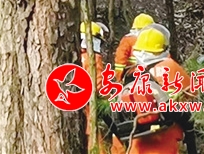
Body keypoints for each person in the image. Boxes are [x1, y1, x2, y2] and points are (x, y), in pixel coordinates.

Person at [110, 25, 197, 154]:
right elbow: (192, 93)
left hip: (137, 143)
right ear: (162, 48)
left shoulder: (131, 73)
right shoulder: (170, 66)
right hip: (167, 139)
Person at [80, 22, 107, 154]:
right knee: (93, 136)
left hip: (73, 103)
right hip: (89, 104)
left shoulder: (74, 55)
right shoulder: (94, 58)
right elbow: (98, 84)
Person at [114, 13, 154, 82]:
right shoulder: (155, 39)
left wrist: (119, 78)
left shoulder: (127, 40)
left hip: (132, 75)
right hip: (152, 75)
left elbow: (120, 61)